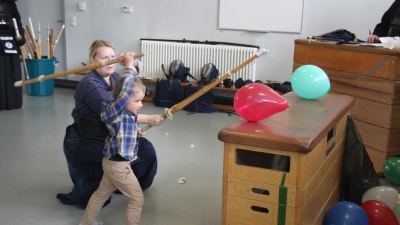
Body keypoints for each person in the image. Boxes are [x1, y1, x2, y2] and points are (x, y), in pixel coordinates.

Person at [57, 40, 165, 208]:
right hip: (88, 140)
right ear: (93, 60)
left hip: (112, 134)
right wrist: (148, 119)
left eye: (113, 57)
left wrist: (133, 70)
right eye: (104, 57)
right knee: (95, 196)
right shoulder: (89, 85)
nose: (110, 60)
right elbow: (117, 112)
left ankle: (124, 184)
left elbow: (133, 93)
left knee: (146, 151)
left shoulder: (115, 78)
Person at [80, 52, 145, 225]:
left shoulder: (126, 113)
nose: (141, 105)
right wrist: (128, 66)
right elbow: (126, 91)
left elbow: (122, 131)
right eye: (137, 101)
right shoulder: (114, 110)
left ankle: (86, 223)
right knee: (136, 199)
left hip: (111, 162)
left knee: (101, 194)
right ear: (123, 99)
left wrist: (136, 132)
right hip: (118, 166)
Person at [0, 0, 25, 110]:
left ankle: (13, 102)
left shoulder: (10, 4)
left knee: (12, 71)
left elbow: (17, 23)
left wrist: (20, 36)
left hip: (10, 43)